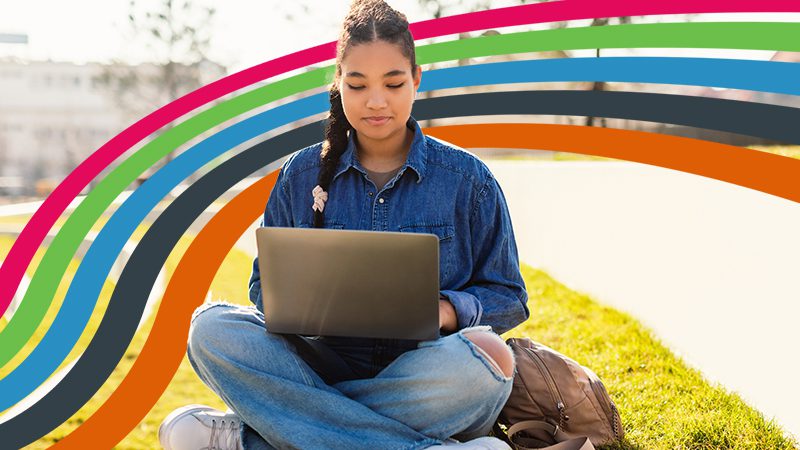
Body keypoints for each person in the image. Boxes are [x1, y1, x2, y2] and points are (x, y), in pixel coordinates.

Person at [158, 1, 529, 449]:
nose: (376, 101)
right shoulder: (300, 176)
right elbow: (262, 289)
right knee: (210, 329)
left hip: (426, 369)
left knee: (487, 364)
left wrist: (447, 311)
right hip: (318, 361)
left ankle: (258, 438)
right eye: (357, 85)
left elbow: (508, 297)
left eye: (393, 83)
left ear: (416, 80)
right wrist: (305, 304)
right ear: (338, 84)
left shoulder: (469, 180)